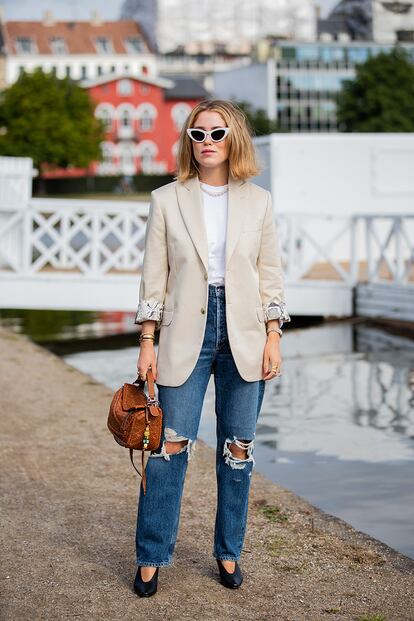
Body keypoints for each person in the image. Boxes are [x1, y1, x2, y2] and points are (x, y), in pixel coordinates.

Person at [133, 99, 290, 597]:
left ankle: (228, 551)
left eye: (216, 134)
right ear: (188, 142)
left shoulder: (259, 201)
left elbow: (270, 275)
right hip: (184, 332)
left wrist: (273, 335)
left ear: (233, 138)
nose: (207, 143)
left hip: (244, 329)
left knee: (237, 449)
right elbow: (153, 281)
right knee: (167, 446)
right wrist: (146, 342)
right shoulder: (166, 199)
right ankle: (152, 556)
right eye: (197, 135)